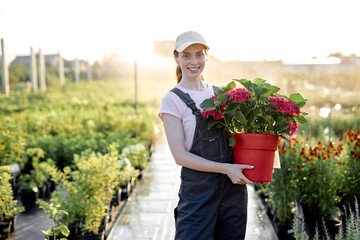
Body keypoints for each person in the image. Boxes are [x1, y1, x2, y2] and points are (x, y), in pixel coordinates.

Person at [158, 31, 254, 240]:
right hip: (198, 190)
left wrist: (259, 161)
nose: (194, 61)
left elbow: (239, 139)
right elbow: (180, 156)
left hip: (232, 191)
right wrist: (226, 168)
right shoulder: (172, 100)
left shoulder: (220, 94)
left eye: (199, 54)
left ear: (206, 56)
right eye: (187, 55)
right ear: (176, 58)